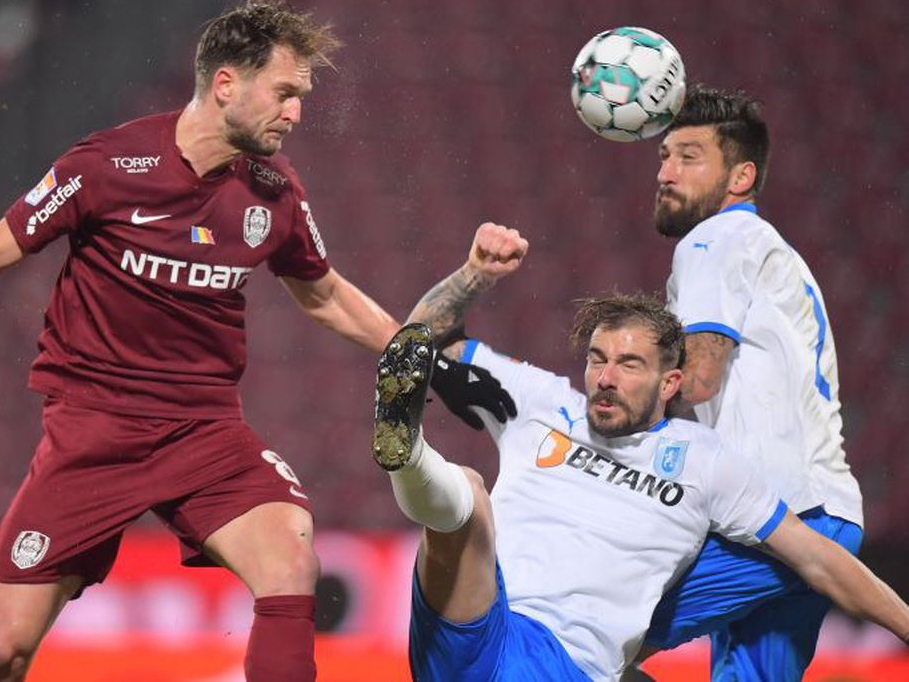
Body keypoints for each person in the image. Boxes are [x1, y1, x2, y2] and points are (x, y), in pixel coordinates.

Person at [0, 0, 497, 682]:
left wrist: (426, 361)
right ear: (226, 83)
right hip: (93, 436)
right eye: (285, 91)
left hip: (204, 432)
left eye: (302, 96)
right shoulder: (105, 167)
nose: (296, 111)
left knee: (291, 556)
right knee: (1, 652)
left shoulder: (273, 193)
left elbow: (323, 293)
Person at [372, 222, 909, 681]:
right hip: (476, 622)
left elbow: (817, 557)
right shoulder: (541, 402)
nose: (604, 378)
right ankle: (408, 450)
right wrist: (476, 274)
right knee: (467, 494)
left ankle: (414, 458)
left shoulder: (705, 461)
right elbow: (420, 343)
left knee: (465, 495)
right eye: (596, 359)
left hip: (567, 663)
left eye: (629, 365)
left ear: (671, 381)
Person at [638, 85, 865, 679]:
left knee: (591, 627)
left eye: (689, 156)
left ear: (740, 176)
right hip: (824, 514)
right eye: (664, 156)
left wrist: (608, 422)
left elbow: (700, 377)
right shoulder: (769, 249)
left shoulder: (717, 239)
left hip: (777, 520)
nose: (666, 172)